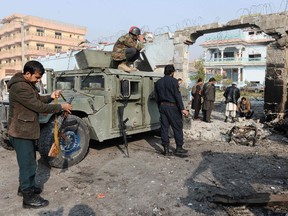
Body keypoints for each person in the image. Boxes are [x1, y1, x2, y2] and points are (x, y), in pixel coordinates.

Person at [8, 60, 72, 209]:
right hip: (21, 132)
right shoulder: (20, 87)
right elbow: (38, 106)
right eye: (37, 77)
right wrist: (60, 106)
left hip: (26, 130)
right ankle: (28, 198)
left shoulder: (27, 85)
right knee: (28, 164)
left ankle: (24, 188)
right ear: (27, 74)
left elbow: (38, 99)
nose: (39, 80)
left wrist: (51, 96)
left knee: (27, 162)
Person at [155, 64, 189, 156]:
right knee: (177, 127)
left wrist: (160, 107)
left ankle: (166, 149)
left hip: (162, 106)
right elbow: (177, 95)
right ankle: (179, 148)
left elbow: (156, 97)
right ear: (172, 72)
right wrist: (182, 109)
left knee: (164, 128)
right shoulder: (174, 81)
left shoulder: (158, 82)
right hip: (172, 107)